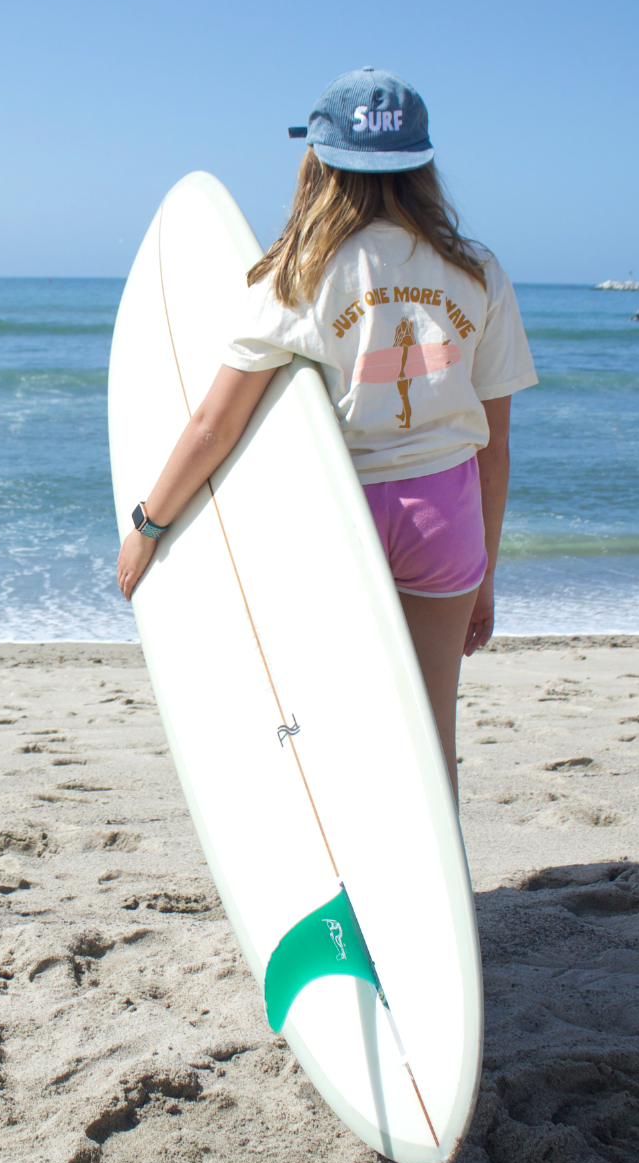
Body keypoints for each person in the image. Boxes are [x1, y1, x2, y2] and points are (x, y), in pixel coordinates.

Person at [115, 68, 537, 801]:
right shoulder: (479, 274)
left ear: (319, 162)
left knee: (331, 726)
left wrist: (149, 523)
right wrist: (485, 574)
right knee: (433, 731)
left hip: (340, 520)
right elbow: (494, 450)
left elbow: (216, 424)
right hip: (446, 519)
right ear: (422, 165)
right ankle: (436, 905)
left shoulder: (295, 275)